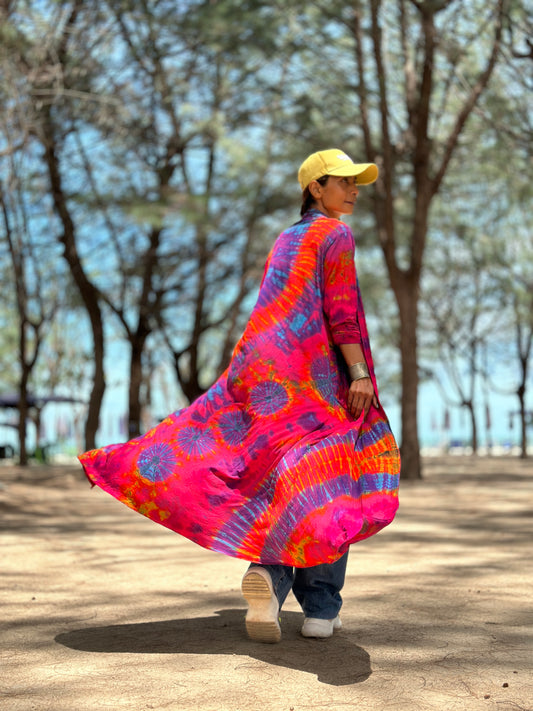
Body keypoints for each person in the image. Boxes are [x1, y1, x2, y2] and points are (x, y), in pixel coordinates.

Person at [78, 148, 400, 645]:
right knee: (329, 484)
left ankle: (270, 582)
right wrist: (358, 373)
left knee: (276, 480)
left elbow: (274, 309)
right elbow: (339, 313)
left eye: (357, 182)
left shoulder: (286, 238)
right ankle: (320, 608)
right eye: (344, 181)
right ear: (316, 188)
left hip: (266, 374)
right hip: (316, 378)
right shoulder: (335, 233)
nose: (354, 189)